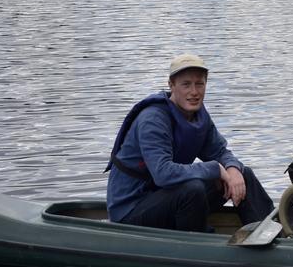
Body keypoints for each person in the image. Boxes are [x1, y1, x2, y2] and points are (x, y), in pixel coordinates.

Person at [106, 54, 275, 232]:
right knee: (192, 189)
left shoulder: (198, 115)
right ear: (171, 85)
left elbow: (219, 152)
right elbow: (163, 174)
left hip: (166, 197)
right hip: (131, 210)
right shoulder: (153, 119)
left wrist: (232, 168)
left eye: (199, 84)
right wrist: (214, 169)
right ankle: (200, 243)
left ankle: (270, 233)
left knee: (242, 174)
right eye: (186, 84)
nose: (194, 92)